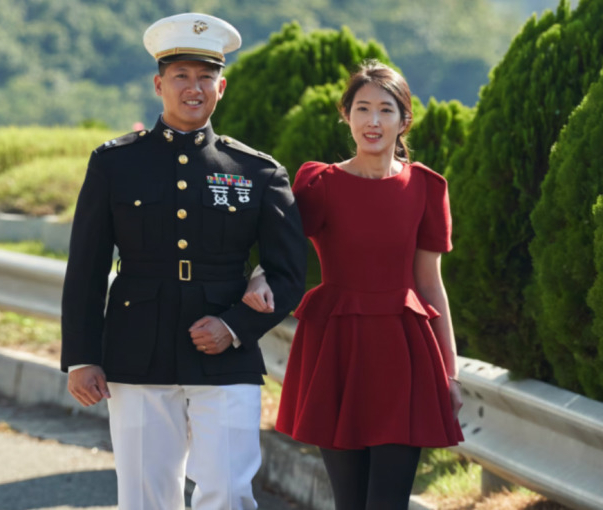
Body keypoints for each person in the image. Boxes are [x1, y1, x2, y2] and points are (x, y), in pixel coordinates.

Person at [60, 12, 307, 510]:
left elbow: (287, 272)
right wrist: (82, 356)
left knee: (229, 489)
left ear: (222, 86)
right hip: (136, 347)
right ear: (159, 84)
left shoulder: (257, 171)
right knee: (146, 493)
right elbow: (86, 266)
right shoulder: (114, 164)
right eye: (181, 76)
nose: (193, 88)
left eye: (205, 77)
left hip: (226, 352)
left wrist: (235, 326)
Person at [243, 60, 464, 510]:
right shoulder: (320, 183)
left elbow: (430, 286)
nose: (373, 121)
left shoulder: (426, 187)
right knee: (350, 502)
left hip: (405, 352)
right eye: (362, 109)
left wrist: (450, 373)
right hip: (338, 348)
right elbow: (282, 251)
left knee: (389, 502)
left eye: (386, 110)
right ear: (346, 115)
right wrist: (259, 276)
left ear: (405, 120)